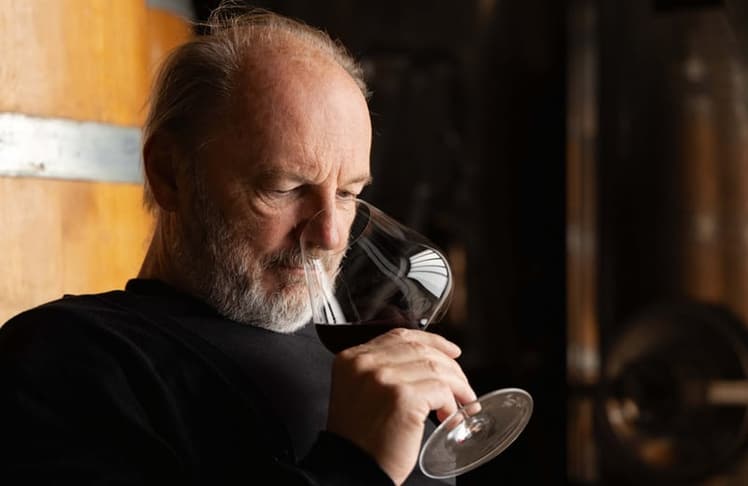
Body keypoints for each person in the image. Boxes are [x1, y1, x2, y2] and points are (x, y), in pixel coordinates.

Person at [0, 5, 477, 485]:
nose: (331, 235)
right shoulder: (67, 358)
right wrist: (354, 466)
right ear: (170, 175)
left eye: (348, 193)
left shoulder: (362, 349)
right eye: (285, 189)